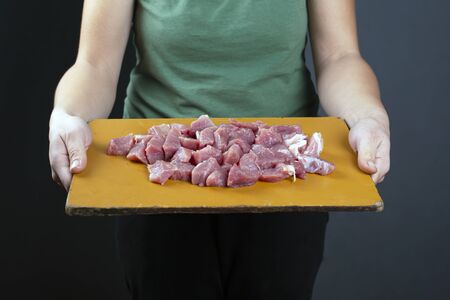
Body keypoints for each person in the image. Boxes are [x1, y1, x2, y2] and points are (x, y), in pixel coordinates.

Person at [49, 0, 390, 299]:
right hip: (158, 182)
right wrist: (68, 114)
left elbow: (340, 56)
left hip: (284, 180)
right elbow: (95, 64)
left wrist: (367, 116)